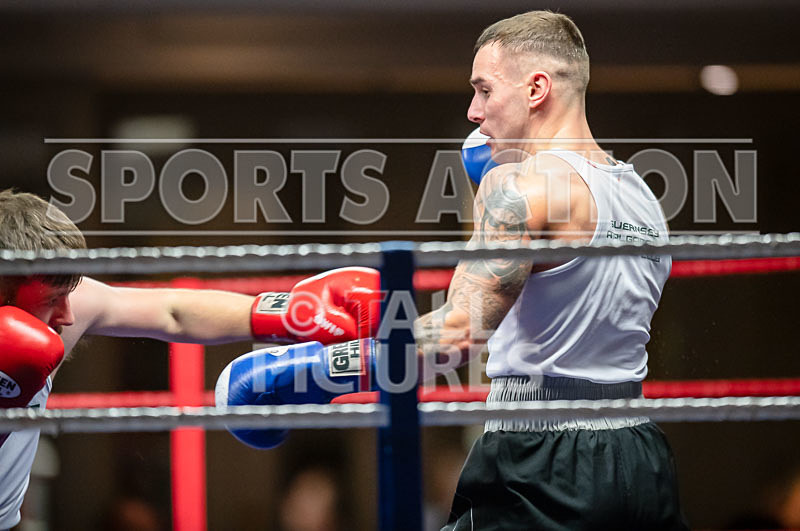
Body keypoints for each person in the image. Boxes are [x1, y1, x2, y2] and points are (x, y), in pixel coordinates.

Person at [412, 10, 689, 530]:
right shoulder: (643, 198)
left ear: (537, 88)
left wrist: (323, 366)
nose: (474, 111)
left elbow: (456, 333)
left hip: (539, 454)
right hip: (639, 453)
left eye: (485, 90)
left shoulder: (519, 187)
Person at [0, 189, 381, 530]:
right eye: (53, 300)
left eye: (68, 295)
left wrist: (288, 313)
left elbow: (172, 309)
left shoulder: (56, 306)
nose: (67, 315)